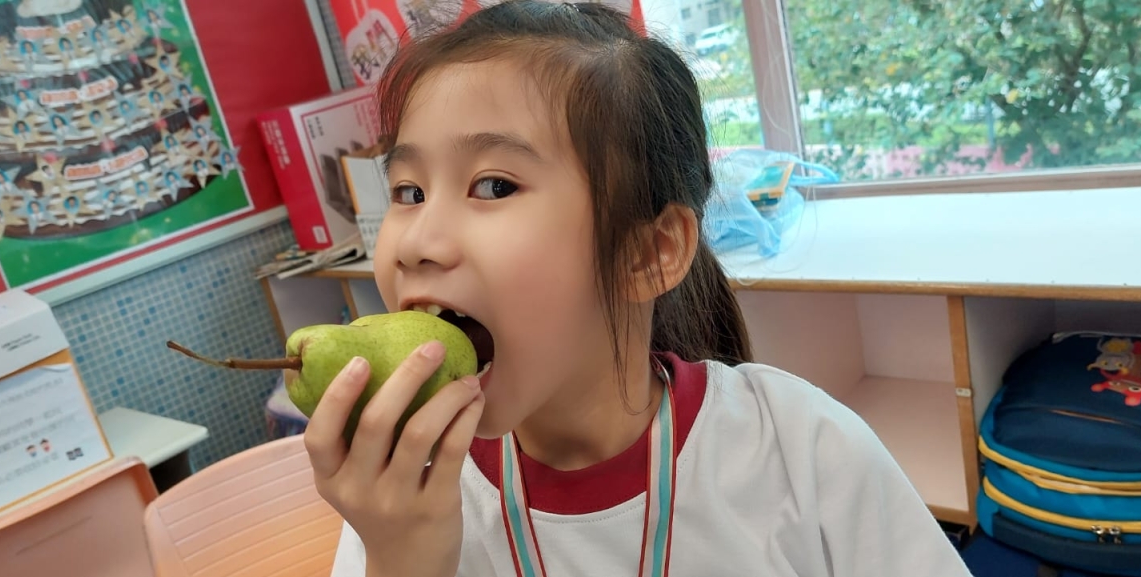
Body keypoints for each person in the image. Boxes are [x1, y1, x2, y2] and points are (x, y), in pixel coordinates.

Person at [304, 2, 972, 576]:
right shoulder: (398, 499)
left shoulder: (802, 451)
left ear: (649, 253)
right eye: (408, 192)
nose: (416, 241)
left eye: (494, 185)